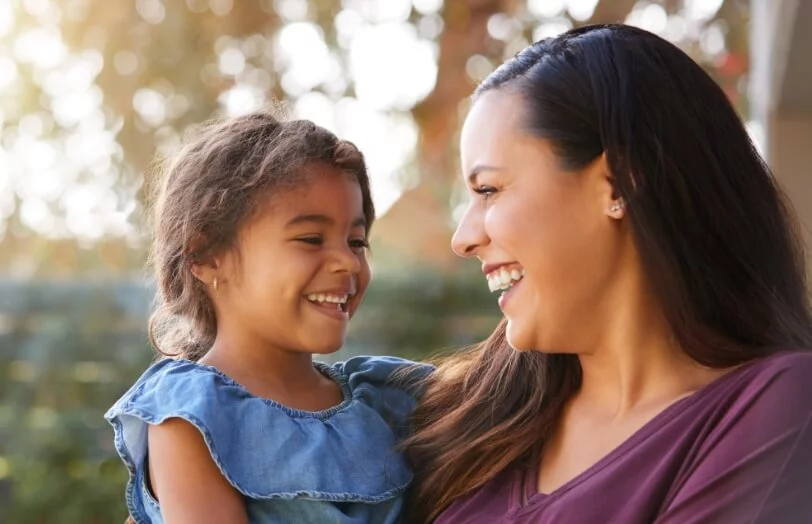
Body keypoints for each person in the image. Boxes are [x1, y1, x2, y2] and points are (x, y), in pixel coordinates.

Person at [403, 24, 812, 523]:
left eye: (488, 190)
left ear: (618, 181)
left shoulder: (777, 409)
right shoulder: (462, 413)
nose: (463, 237)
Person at [105, 112, 428, 523]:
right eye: (311, 239)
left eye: (357, 241)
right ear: (205, 255)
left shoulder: (390, 397)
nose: (348, 261)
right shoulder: (191, 415)